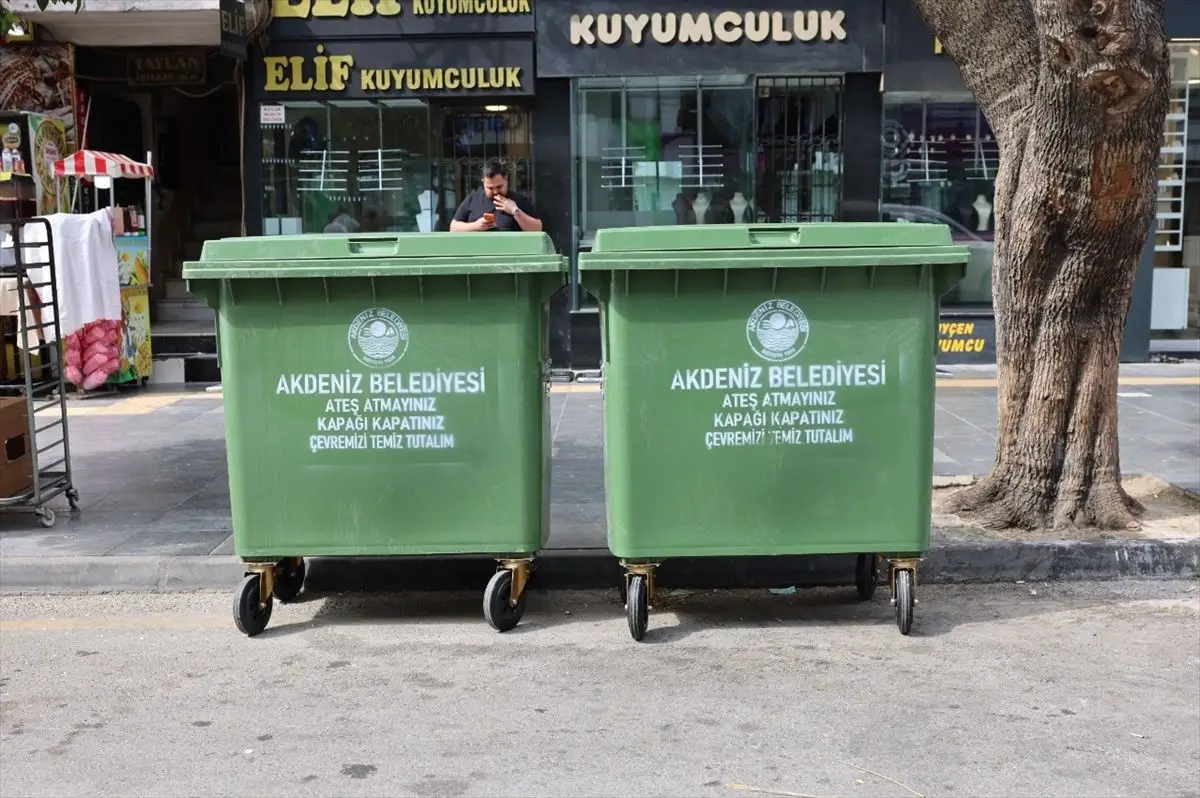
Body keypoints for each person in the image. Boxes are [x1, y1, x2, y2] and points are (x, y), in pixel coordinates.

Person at [449, 160, 542, 233]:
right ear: (483, 182)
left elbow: (537, 229)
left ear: (506, 179)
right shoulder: (472, 199)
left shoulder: (519, 200)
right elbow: (453, 228)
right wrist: (475, 226)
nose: (495, 191)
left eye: (499, 187)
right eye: (490, 188)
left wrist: (515, 210)